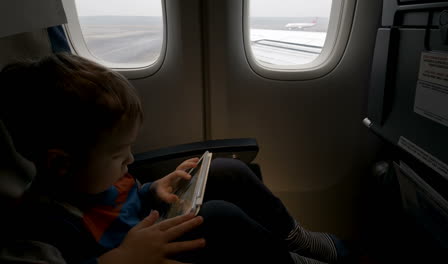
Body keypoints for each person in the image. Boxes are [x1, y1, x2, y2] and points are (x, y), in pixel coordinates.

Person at [0, 53, 351, 264]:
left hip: (151, 228)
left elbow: (127, 203)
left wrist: (154, 189)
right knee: (217, 218)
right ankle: (287, 260)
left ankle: (296, 239)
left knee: (228, 170)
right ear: (60, 163)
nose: (131, 160)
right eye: (119, 154)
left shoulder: (96, 175)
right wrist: (121, 261)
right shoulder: (40, 227)